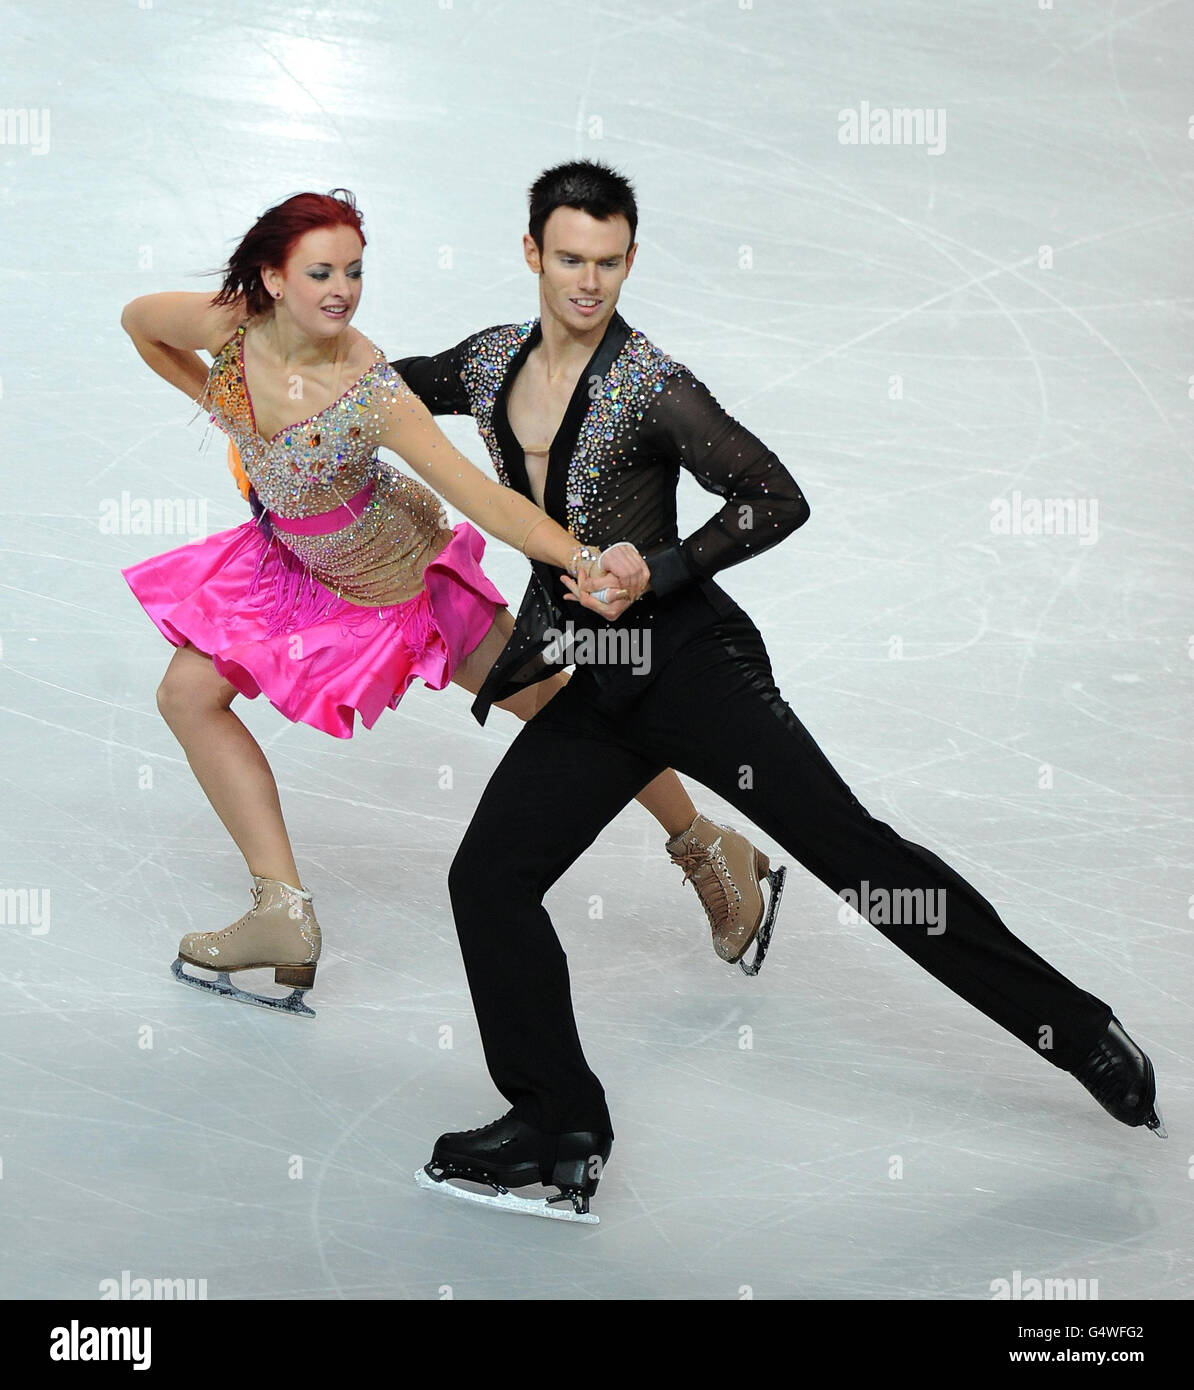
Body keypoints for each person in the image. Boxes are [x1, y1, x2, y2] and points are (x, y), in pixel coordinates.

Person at [392, 161, 1165, 1222]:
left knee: (861, 859)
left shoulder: (649, 382)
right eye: (569, 258)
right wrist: (271, 368)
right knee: (488, 878)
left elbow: (773, 495)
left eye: (609, 262)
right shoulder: (489, 363)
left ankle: (1076, 1030)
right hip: (605, 690)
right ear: (532, 253)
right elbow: (380, 392)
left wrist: (653, 569)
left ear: (629, 259)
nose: (588, 282)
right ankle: (559, 1126)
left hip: (698, 676)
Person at [119, 188, 782, 1017]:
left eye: (354, 272)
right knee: (187, 695)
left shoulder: (370, 389)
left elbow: (486, 500)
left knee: (557, 710)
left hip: (405, 581)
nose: (342, 290)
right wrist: (225, 409)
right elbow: (139, 322)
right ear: (272, 278)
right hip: (290, 565)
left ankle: (708, 847)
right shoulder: (231, 328)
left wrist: (580, 558)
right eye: (320, 271)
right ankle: (282, 914)